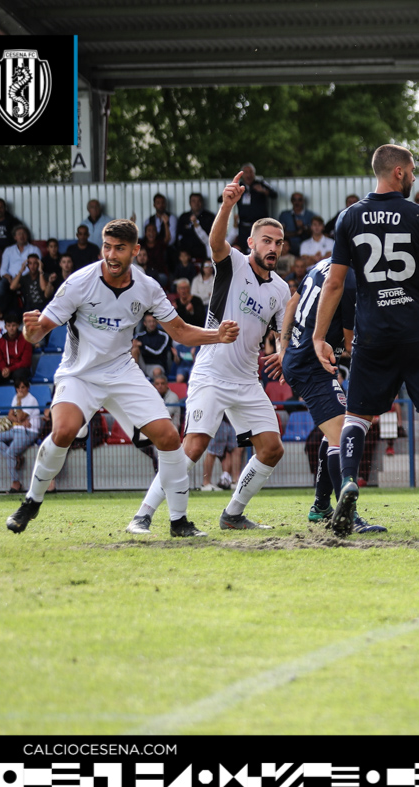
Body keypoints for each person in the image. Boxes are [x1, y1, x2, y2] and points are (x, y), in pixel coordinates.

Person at [4, 219, 239, 536]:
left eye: (120, 248)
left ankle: (179, 522)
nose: (112, 255)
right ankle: (31, 502)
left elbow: (180, 331)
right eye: (107, 247)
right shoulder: (79, 282)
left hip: (122, 371)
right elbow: (39, 331)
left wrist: (217, 336)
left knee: (170, 438)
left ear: (136, 251)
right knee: (63, 431)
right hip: (80, 374)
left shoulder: (147, 287)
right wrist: (31, 332)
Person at [312, 144, 419, 537]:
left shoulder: (349, 217)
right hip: (416, 331)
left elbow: (334, 283)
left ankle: (349, 482)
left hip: (372, 333)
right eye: (413, 170)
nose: (416, 176)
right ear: (399, 172)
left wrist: (320, 335)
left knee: (357, 418)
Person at [130, 173, 290, 535]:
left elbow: (282, 332)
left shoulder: (281, 289)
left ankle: (233, 514)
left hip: (247, 379)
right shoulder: (232, 262)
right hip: (211, 374)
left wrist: (282, 351)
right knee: (195, 445)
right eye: (266, 240)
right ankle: (143, 514)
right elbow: (216, 240)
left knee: (271, 448)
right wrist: (227, 204)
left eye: (279, 243)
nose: (273, 248)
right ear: (251, 242)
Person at [270, 257, 385, 534]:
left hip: (305, 359)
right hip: (313, 364)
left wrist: (284, 349)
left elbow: (291, 304)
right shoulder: (349, 281)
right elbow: (349, 343)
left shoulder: (322, 265)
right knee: (341, 435)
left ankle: (321, 506)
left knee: (333, 432)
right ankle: (348, 516)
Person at [0, 379, 42, 493]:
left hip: (28, 432)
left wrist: (18, 405)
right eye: (18, 388)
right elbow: (10, 415)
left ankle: (15, 483)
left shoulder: (31, 400)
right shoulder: (15, 397)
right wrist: (18, 420)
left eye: (23, 387)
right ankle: (16, 458)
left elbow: (20, 416)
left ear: (27, 387)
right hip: (16, 429)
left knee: (10, 453)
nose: (20, 390)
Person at [235, 163, 277, 250]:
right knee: (243, 248)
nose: (249, 175)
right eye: (246, 172)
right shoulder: (238, 185)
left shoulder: (261, 183)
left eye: (251, 172)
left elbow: (274, 195)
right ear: (242, 174)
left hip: (260, 225)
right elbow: (220, 198)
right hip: (244, 226)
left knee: (260, 248)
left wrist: (263, 191)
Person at [0, 314, 32, 387]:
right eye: (8, 325)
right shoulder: (0, 342)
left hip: (20, 369)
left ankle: (19, 397)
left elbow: (25, 362)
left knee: (19, 374)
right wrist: (4, 369)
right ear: (5, 327)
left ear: (17, 326)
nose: (11, 328)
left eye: (13, 325)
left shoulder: (26, 340)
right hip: (5, 369)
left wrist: (9, 369)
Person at [0, 226, 37, 308]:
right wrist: (9, 278)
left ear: (27, 236)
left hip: (27, 278)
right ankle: (0, 312)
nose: (22, 236)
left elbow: (37, 266)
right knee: (0, 285)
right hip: (10, 279)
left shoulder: (34, 249)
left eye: (24, 234)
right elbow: (3, 269)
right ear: (15, 237)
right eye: (19, 234)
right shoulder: (8, 250)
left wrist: (21, 277)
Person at [200, 418, 241, 492]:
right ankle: (206, 483)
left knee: (235, 450)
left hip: (233, 419)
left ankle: (235, 481)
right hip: (219, 420)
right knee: (212, 452)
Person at [132, 314, 177, 378]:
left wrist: (143, 346)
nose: (152, 324)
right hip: (142, 364)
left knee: (157, 372)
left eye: (153, 321)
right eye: (149, 322)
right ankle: (133, 374)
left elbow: (157, 352)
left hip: (156, 364)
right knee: (134, 349)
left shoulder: (164, 336)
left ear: (157, 322)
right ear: (145, 323)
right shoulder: (139, 336)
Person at [176, 192, 216, 262]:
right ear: (190, 203)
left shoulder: (209, 217)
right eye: (194, 201)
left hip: (204, 254)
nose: (196, 203)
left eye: (199, 201)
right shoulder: (184, 217)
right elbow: (179, 236)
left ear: (202, 202)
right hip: (186, 256)